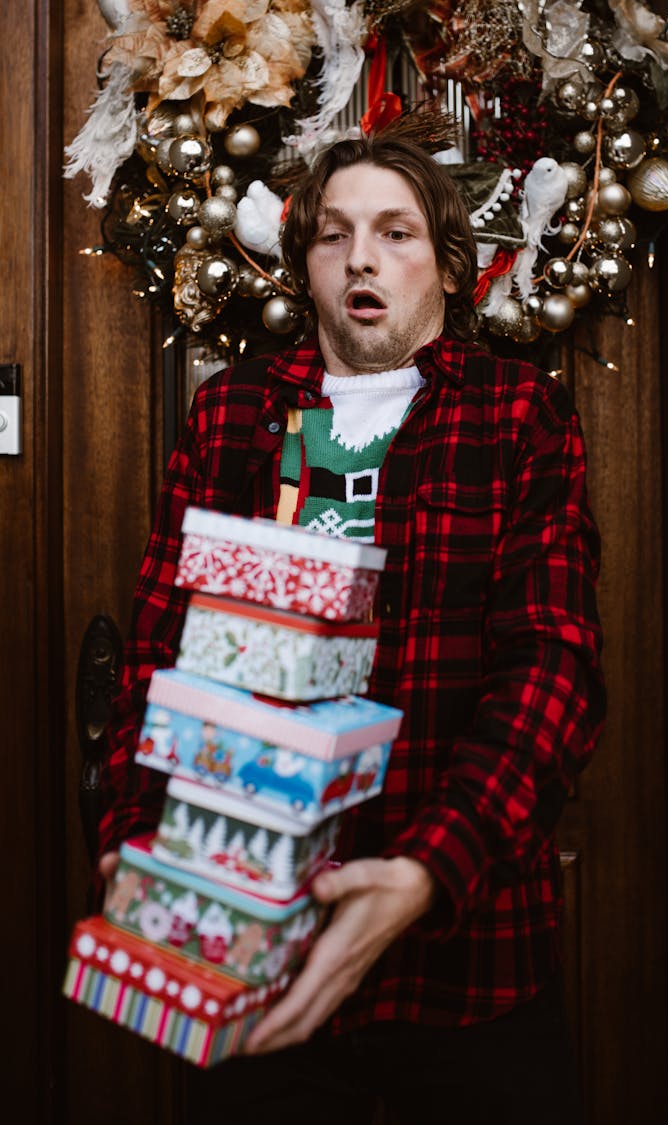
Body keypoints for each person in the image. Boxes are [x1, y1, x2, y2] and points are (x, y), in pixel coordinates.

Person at [96, 127, 606, 1124]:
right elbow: (162, 659)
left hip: (470, 967)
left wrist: (429, 868)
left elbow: (553, 670)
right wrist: (129, 836)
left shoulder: (515, 415)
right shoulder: (233, 416)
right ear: (307, 264)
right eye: (334, 236)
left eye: (395, 234)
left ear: (453, 272)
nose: (361, 259)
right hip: (260, 952)